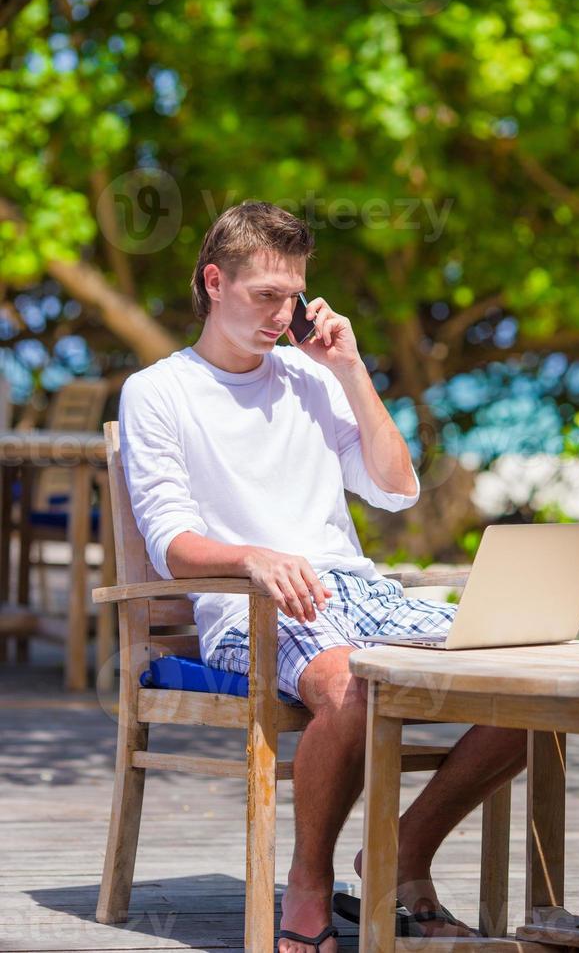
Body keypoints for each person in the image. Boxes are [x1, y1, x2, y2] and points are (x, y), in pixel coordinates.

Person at [119, 201, 526, 953]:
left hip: (358, 590)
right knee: (351, 684)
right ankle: (308, 886)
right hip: (255, 605)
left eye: (293, 296)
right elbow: (170, 541)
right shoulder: (159, 391)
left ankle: (402, 853)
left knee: (529, 681)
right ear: (214, 281)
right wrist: (253, 556)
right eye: (264, 295)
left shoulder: (310, 380)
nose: (283, 314)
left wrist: (347, 368)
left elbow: (397, 485)